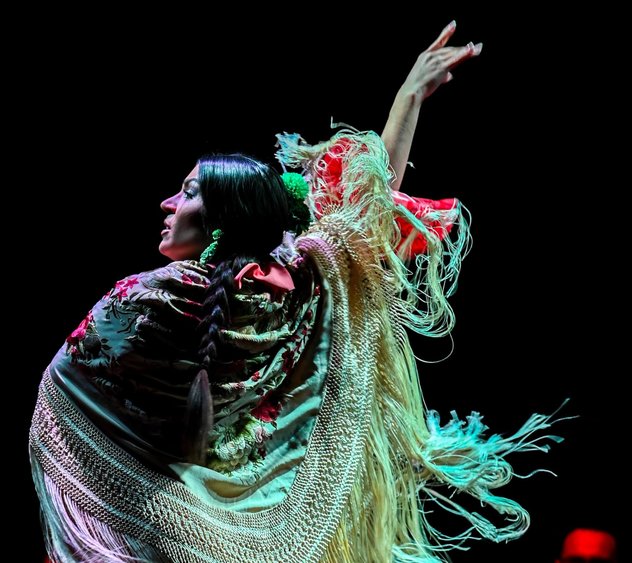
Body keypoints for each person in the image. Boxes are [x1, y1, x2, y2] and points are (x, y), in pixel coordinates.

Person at [30, 22, 562, 562]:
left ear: (223, 216)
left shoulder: (153, 299)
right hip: (235, 531)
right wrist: (408, 100)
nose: (167, 202)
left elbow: (67, 394)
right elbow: (364, 211)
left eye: (188, 191)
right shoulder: (285, 288)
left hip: (149, 530)